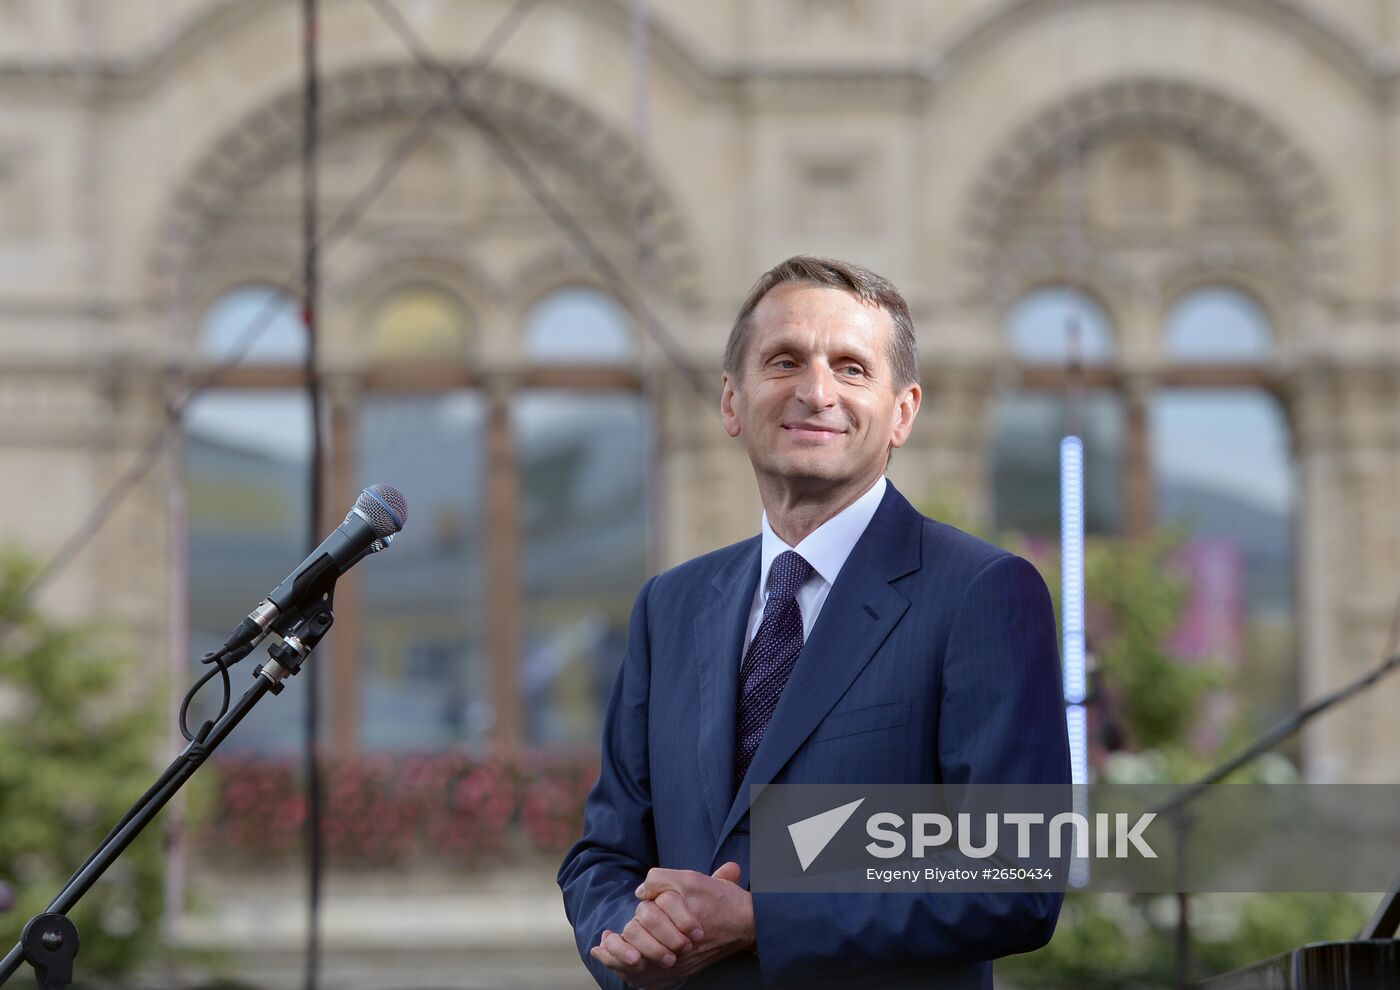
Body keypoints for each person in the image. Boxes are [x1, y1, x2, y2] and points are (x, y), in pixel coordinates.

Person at [558, 256, 1070, 989]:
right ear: (732, 403)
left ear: (903, 412)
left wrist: (763, 920)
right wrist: (631, 935)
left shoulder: (981, 593)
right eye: (785, 361)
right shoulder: (669, 607)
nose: (816, 391)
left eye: (853, 368)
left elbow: (1017, 880)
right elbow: (603, 856)